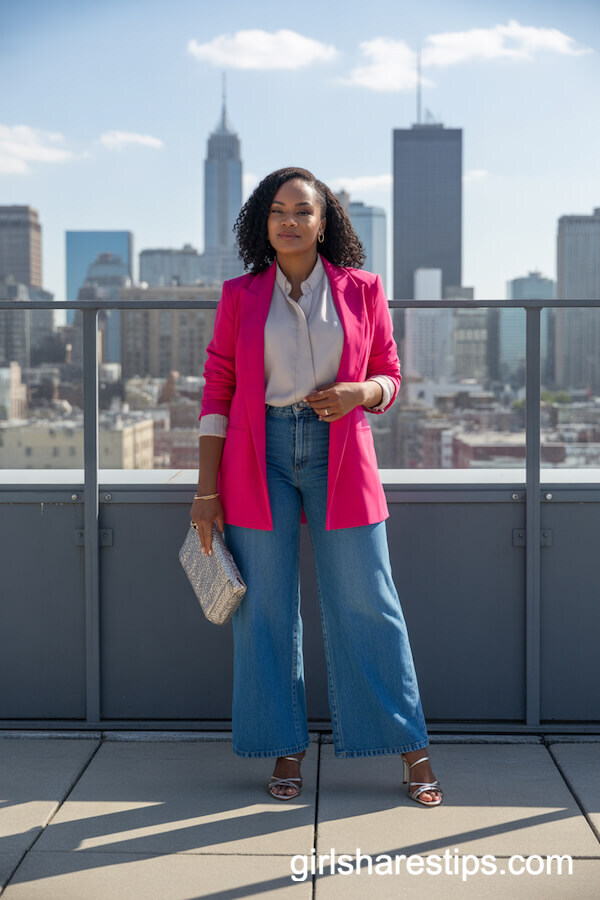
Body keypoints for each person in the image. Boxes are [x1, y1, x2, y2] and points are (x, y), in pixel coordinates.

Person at [190, 167, 442, 807]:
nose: (290, 221)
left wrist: (362, 391)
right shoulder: (240, 295)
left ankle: (411, 748)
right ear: (262, 223)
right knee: (267, 611)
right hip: (258, 455)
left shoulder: (363, 289)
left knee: (368, 599)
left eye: (303, 210)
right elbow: (217, 390)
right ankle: (284, 747)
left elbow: (389, 375)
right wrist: (205, 489)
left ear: (324, 221)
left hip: (341, 451)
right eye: (277, 211)